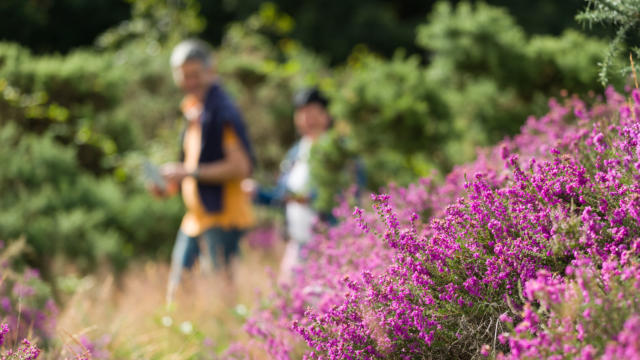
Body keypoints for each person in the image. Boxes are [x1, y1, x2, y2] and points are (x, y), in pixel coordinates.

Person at [150, 39, 255, 305]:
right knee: (178, 295)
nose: (190, 81)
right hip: (195, 219)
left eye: (195, 74)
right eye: (184, 76)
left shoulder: (222, 111)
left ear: (211, 71)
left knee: (221, 298)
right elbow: (192, 169)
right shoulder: (193, 110)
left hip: (222, 218)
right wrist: (168, 185)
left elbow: (240, 167)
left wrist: (187, 173)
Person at [253, 88, 332, 283]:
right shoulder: (296, 152)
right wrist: (257, 194)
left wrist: (299, 197)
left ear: (326, 116)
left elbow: (339, 194)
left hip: (327, 243)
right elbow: (282, 195)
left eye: (312, 113)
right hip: (297, 242)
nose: (307, 119)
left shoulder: (335, 150)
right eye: (302, 113)